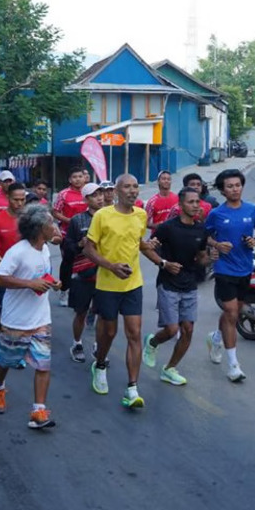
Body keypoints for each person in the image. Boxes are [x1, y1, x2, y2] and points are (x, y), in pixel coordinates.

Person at [83, 174, 164, 409]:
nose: (132, 190)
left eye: (135, 186)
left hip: (133, 284)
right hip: (107, 284)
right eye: (126, 187)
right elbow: (89, 250)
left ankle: (132, 388)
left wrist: (159, 258)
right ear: (116, 191)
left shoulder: (140, 215)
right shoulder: (102, 216)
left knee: (134, 334)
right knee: (109, 333)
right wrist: (111, 266)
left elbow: (137, 243)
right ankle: (99, 365)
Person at [0, 204, 62, 428]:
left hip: (41, 319)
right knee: (6, 361)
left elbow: (41, 274)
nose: (55, 226)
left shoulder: (45, 248)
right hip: (15, 320)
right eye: (51, 223)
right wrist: (29, 284)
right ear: (40, 228)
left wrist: (52, 282)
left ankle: (38, 411)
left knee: (43, 365)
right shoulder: (18, 251)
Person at [204, 168, 255, 382]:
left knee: (235, 311)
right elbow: (206, 236)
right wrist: (216, 244)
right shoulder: (216, 214)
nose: (234, 189)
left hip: (245, 268)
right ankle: (233, 365)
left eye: (237, 185)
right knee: (231, 312)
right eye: (230, 186)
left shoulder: (252, 210)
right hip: (224, 268)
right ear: (223, 191)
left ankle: (216, 337)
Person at [143, 187, 211, 386]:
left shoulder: (201, 230)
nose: (196, 206)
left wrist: (209, 258)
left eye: (197, 202)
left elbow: (200, 257)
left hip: (189, 284)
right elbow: (147, 248)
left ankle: (170, 368)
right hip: (168, 284)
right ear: (180, 205)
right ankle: (152, 342)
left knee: (188, 329)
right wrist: (164, 263)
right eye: (191, 202)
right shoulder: (167, 228)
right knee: (172, 330)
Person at [61, 182, 105, 363]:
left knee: (103, 314)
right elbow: (67, 246)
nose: (100, 198)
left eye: (101, 194)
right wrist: (79, 245)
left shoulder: (110, 217)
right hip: (82, 274)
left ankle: (99, 346)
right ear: (87, 199)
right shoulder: (77, 221)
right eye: (95, 195)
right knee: (81, 313)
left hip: (105, 274)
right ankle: (77, 343)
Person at [0, 183, 28, 308]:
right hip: (4, 269)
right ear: (8, 198)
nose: (20, 203)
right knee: (4, 307)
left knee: (24, 309)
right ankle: (1, 327)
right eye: (16, 200)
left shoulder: (30, 219)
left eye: (22, 200)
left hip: (26, 269)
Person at [52, 167, 89, 301]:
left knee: (88, 261)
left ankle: (84, 290)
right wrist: (71, 221)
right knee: (68, 261)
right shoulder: (64, 194)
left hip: (87, 234)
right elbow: (55, 212)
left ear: (85, 177)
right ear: (70, 180)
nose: (78, 179)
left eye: (80, 176)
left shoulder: (89, 193)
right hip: (67, 234)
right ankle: (64, 290)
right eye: (74, 177)